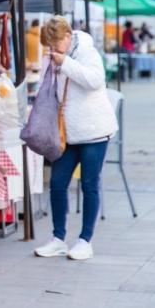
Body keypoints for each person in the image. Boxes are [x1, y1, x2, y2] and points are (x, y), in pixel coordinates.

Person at [33, 16, 118, 261]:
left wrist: (66, 63)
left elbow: (95, 80)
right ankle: (58, 238)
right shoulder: (56, 55)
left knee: (89, 185)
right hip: (67, 134)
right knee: (58, 183)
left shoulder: (87, 52)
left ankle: (85, 240)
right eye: (50, 45)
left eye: (56, 43)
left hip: (94, 132)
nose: (54, 48)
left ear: (68, 36)